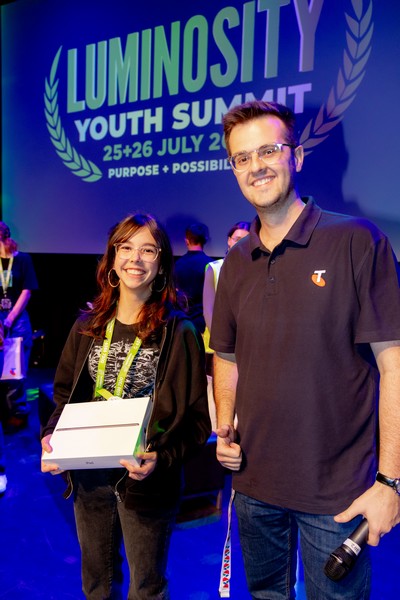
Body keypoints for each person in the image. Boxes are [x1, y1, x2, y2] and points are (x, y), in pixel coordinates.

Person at [210, 100, 400, 599]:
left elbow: (394, 366)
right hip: (253, 487)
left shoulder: (357, 241)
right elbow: (226, 355)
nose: (256, 166)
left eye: (268, 150)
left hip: (336, 493)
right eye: (242, 158)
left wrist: (391, 482)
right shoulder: (235, 262)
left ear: (296, 156)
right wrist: (225, 427)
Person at [41, 213, 211, 600]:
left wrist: (161, 458)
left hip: (145, 482)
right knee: (96, 585)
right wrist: (52, 436)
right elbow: (64, 396)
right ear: (113, 259)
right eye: (126, 247)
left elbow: (197, 423)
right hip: (88, 477)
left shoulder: (179, 332)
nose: (135, 258)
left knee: (146, 588)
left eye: (148, 250)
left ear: (162, 264)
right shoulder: (87, 325)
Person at [0, 221, 38, 432]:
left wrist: (9, 319)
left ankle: (18, 413)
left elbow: (27, 290)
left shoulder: (22, 259)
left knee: (14, 371)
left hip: (16, 320)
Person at [202, 221, 250, 336]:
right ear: (229, 240)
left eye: (246, 240)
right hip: (217, 337)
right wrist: (219, 337)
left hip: (244, 337)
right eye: (237, 239)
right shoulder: (214, 268)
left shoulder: (255, 270)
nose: (240, 244)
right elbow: (208, 310)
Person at [174, 222, 211, 333]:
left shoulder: (178, 264)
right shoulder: (211, 265)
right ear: (205, 240)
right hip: (203, 323)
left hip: (181, 321)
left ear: (187, 241)